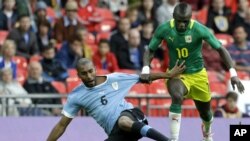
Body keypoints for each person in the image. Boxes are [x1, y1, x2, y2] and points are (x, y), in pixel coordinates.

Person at [141, 2, 245, 141]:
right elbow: (150, 49)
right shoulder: (164, 29)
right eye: (179, 21)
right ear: (173, 17)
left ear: (191, 18)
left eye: (185, 21)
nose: (182, 25)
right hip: (175, 73)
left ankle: (207, 131)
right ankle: (174, 139)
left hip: (198, 75)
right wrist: (146, 69)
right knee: (177, 96)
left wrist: (233, 74)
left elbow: (221, 49)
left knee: (206, 114)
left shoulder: (199, 29)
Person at [47, 58, 186, 141]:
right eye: (84, 73)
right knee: (121, 126)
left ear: (95, 69)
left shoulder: (114, 78)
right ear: (78, 75)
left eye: (91, 71)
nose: (89, 76)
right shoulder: (76, 96)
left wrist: (168, 74)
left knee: (123, 121)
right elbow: (61, 125)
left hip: (132, 116)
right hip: (117, 134)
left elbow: (144, 78)